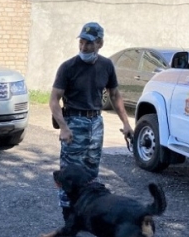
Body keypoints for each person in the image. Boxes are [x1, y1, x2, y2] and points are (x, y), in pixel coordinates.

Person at [49, 22, 133, 217]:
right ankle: (68, 215)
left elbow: (114, 95)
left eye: (89, 43)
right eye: (82, 42)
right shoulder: (68, 67)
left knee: (91, 170)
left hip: (96, 123)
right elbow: (54, 100)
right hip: (74, 123)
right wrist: (63, 127)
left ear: (100, 43)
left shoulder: (106, 65)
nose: (84, 47)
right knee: (70, 171)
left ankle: (86, 212)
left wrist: (126, 123)